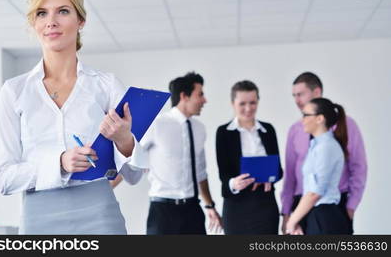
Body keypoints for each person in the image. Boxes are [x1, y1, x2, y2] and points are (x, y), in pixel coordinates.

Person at [0, 0, 147, 234]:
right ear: (34, 22)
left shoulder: (106, 85)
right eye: (42, 13)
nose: (51, 21)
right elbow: (4, 178)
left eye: (63, 11)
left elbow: (134, 175)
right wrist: (60, 163)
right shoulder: (14, 91)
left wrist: (124, 140)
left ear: (81, 20)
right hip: (39, 220)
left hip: (100, 215)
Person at [281, 72, 367, 234]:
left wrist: (351, 207)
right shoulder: (311, 140)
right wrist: (288, 213)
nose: (296, 100)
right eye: (294, 95)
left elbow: (316, 191)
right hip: (305, 207)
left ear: (316, 92)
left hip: (325, 209)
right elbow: (291, 175)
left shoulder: (327, 145)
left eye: (300, 94)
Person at [142, 72, 222, 234]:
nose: (204, 100)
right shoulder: (157, 125)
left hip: (193, 210)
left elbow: (200, 173)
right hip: (163, 212)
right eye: (200, 94)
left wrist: (210, 205)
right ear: (184, 96)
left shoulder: (199, 129)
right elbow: (129, 155)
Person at [215, 80, 283, 234]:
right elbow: (224, 175)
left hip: (265, 206)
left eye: (252, 103)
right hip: (236, 207)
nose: (248, 108)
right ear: (233, 103)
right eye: (242, 104)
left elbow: (279, 170)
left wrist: (269, 177)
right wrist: (234, 183)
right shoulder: (224, 133)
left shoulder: (268, 130)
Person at [286, 98, 351, 234]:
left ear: (320, 119)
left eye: (306, 115)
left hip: (325, 218)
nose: (302, 120)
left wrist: (292, 221)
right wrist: (298, 220)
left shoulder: (326, 147)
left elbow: (315, 192)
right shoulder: (316, 146)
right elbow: (309, 191)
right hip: (315, 215)